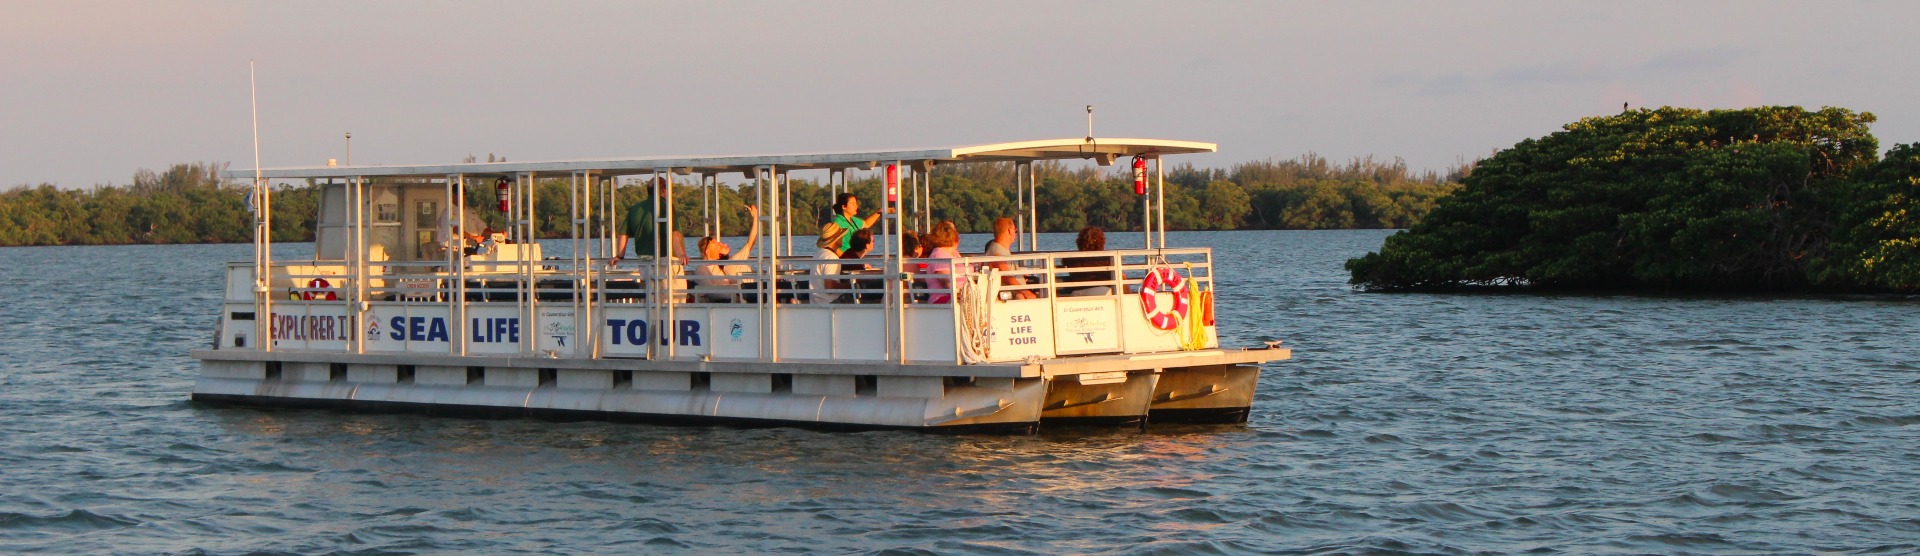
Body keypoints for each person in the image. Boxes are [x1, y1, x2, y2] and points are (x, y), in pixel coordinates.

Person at [610, 177, 685, 267]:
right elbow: (674, 232)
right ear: (663, 189)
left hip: (643, 259)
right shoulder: (667, 206)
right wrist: (681, 254)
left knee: (648, 276)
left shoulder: (635, 209)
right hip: (666, 258)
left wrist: (619, 256)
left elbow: (623, 234)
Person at [693, 205, 760, 302]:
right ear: (707, 251)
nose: (722, 244)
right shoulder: (702, 269)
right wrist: (735, 292)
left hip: (739, 295)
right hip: (731, 298)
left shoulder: (725, 264)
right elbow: (711, 290)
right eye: (717, 244)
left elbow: (751, 243)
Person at [981, 217, 1036, 300]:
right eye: (1015, 230)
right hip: (1009, 296)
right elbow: (1006, 277)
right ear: (1010, 231)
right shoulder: (997, 253)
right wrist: (1025, 291)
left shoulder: (1000, 250)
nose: (1015, 233)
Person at [433, 187, 490, 259]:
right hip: (453, 252)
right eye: (457, 194)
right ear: (452, 195)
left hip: (472, 250)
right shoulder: (447, 212)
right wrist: (473, 237)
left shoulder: (471, 212)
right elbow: (454, 229)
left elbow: (483, 229)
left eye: (463, 194)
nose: (461, 196)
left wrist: (497, 234)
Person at [1058, 226, 1113, 296]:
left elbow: (1062, 260)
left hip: (1078, 294)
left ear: (1079, 242)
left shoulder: (1071, 258)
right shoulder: (1108, 258)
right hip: (1103, 292)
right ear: (1102, 241)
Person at [921, 220, 961, 304]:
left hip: (961, 293)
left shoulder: (955, 253)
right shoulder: (938, 255)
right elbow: (946, 282)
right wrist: (960, 295)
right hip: (943, 297)